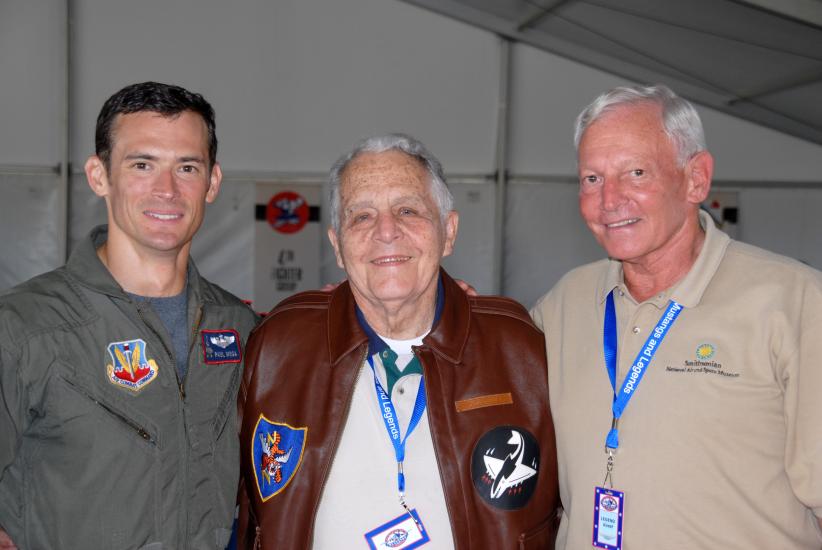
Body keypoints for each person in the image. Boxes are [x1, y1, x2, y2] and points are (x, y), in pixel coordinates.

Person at [531, 84, 822, 549]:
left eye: (636, 172)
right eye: (592, 178)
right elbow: (481, 369)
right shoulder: (564, 303)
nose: (609, 200)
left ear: (696, 179)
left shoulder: (796, 303)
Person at [237, 134, 560, 549]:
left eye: (408, 210)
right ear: (338, 246)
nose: (386, 232)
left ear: (449, 231)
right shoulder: (279, 346)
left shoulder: (521, 350)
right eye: (361, 216)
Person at [0, 82, 258, 549]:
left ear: (213, 183)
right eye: (142, 165)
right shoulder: (24, 327)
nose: (167, 190)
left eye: (187, 167)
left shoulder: (240, 330)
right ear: (99, 176)